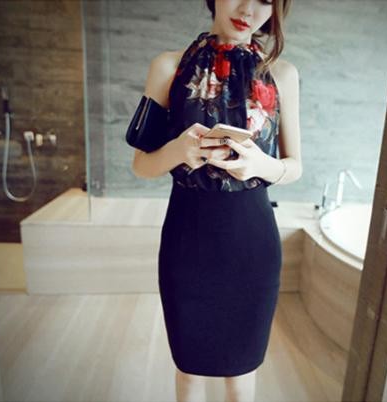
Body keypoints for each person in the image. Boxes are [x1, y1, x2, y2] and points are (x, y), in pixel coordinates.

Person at [128, 0, 300, 400]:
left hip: (252, 244)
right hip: (187, 241)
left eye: (265, 0)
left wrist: (259, 165)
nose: (248, 9)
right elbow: (141, 165)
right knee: (189, 369)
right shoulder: (169, 67)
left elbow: (294, 167)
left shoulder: (282, 74)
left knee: (242, 373)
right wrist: (179, 151)